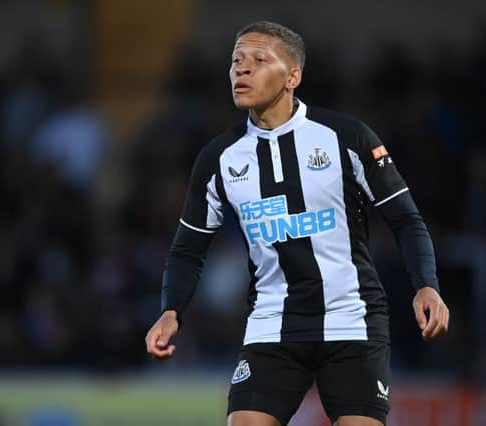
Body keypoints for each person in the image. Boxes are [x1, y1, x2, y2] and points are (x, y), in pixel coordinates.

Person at [145, 21, 449, 426]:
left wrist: (426, 284)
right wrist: (171, 311)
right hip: (272, 323)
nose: (242, 70)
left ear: (293, 77)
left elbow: (406, 219)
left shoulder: (345, 137)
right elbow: (188, 248)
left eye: (258, 60)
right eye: (236, 61)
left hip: (351, 317)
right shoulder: (219, 158)